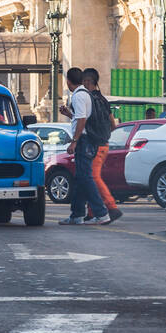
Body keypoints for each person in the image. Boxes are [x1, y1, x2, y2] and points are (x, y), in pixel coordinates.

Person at [59, 67, 110, 225]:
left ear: (68, 81)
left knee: (86, 178)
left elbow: (82, 120)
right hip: (88, 140)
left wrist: (74, 141)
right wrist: (69, 115)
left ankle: (102, 213)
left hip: (84, 141)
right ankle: (77, 215)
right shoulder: (85, 94)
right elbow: (82, 117)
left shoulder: (79, 96)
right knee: (80, 178)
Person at [82, 68, 123, 223]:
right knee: (91, 177)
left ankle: (112, 207)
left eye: (84, 81)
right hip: (103, 143)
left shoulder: (89, 100)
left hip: (95, 144)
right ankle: (92, 211)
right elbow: (113, 124)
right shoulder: (103, 100)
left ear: (88, 82)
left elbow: (83, 122)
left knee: (92, 177)